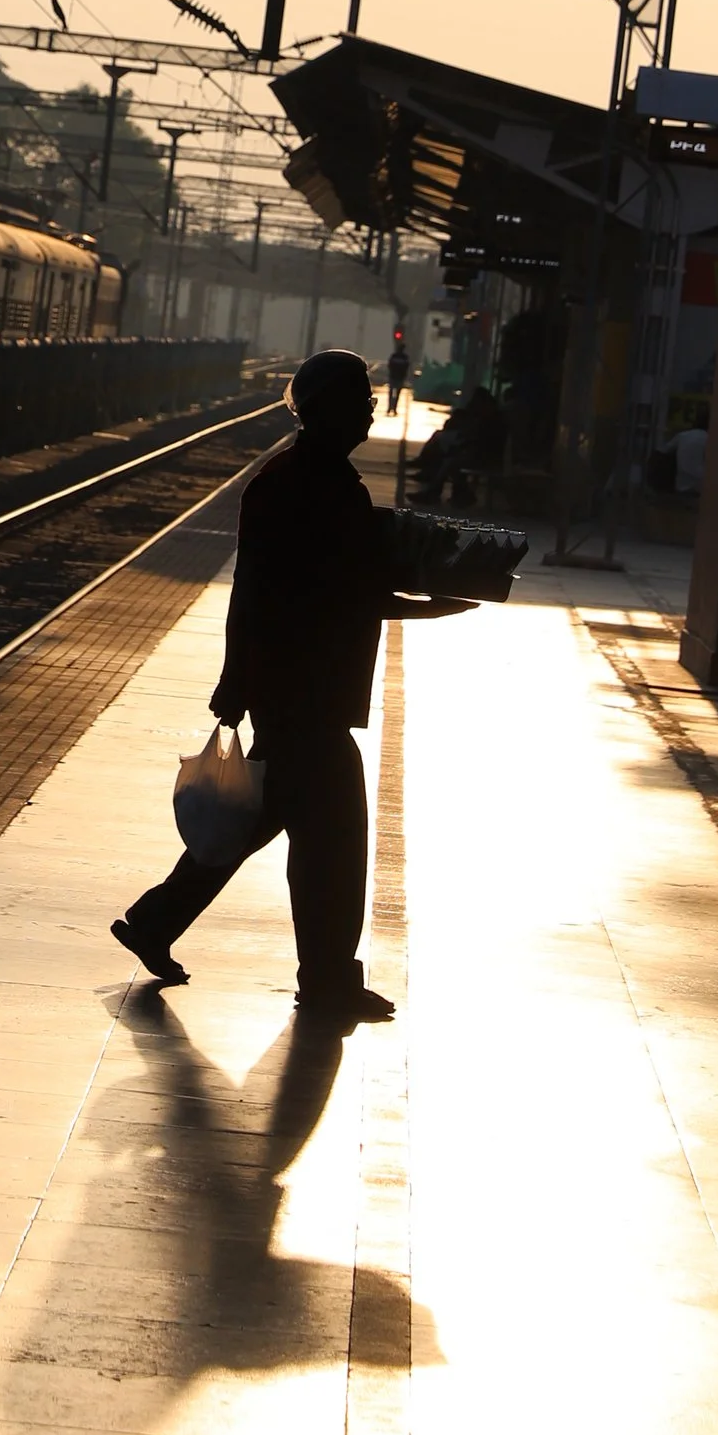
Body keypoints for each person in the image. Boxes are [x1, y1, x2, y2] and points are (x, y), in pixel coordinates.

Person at [110, 347, 470, 1025]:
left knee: (262, 820)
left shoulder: (311, 480)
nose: (369, 411)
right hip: (304, 690)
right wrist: (235, 674)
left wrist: (240, 674)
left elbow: (333, 584)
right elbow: (301, 588)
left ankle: (157, 921)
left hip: (301, 689)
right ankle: (328, 978)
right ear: (327, 407)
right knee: (333, 840)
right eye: (361, 401)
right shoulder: (305, 486)